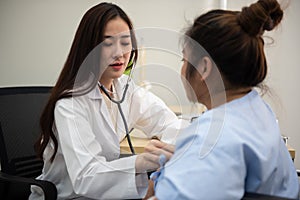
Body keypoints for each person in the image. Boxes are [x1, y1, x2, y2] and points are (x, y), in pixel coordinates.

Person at [30, 2, 182, 199]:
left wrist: (166, 149)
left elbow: (169, 122)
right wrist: (140, 162)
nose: (119, 53)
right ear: (89, 48)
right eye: (108, 43)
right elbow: (86, 177)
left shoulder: (124, 88)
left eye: (125, 42)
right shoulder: (70, 104)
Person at [151, 0, 299, 199]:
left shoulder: (211, 138)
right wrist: (186, 161)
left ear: (204, 67)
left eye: (184, 59)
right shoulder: (258, 109)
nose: (183, 69)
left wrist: (160, 177)